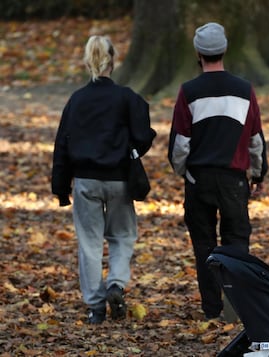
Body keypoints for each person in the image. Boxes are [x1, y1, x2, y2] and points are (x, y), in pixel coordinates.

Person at [51, 35, 156, 324]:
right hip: (120, 178)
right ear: (114, 60)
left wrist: (60, 188)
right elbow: (144, 134)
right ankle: (116, 284)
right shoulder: (127, 98)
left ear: (87, 62)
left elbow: (62, 145)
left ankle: (95, 306)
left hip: (85, 181)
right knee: (123, 236)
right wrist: (132, 151)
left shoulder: (77, 100)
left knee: (90, 244)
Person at [167, 22, 268, 320]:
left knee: (204, 244)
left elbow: (180, 144)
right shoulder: (244, 90)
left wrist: (183, 172)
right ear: (225, 50)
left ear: (198, 53)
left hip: (199, 178)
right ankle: (236, 308)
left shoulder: (189, 91)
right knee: (237, 241)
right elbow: (255, 140)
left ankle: (211, 308)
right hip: (234, 179)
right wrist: (258, 174)